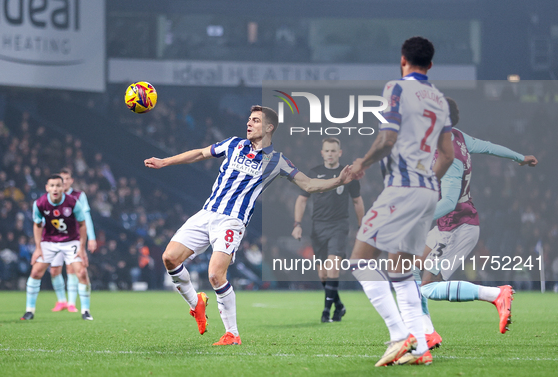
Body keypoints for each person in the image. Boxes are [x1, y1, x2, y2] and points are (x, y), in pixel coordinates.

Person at [145, 105, 357, 346]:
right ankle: (197, 304)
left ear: (269, 128)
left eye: (255, 120)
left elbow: (308, 185)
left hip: (232, 220)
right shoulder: (234, 144)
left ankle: (232, 334)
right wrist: (165, 161)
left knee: (215, 274)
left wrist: (338, 180)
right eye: (249, 119)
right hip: (206, 213)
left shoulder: (277, 161)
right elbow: (201, 153)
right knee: (170, 258)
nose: (249, 123)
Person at [348, 36, 454, 367]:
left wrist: (362, 163)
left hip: (401, 187)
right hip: (427, 190)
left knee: (360, 261)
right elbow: (448, 155)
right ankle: (420, 348)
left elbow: (388, 137)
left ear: (403, 60)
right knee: (400, 270)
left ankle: (399, 336)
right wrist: (426, 182)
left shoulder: (397, 87)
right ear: (431, 65)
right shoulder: (440, 99)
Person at [415, 98, 538, 349]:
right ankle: (425, 333)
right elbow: (489, 147)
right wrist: (519, 157)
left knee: (427, 288)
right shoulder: (457, 137)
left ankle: (496, 294)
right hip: (447, 227)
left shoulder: (450, 158)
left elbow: (449, 202)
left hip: (459, 228)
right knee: (411, 273)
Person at [291, 137, 364, 323]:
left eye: (334, 151)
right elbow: (302, 199)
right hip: (318, 227)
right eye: (327, 150)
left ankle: (326, 312)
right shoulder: (314, 173)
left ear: (339, 153)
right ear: (322, 152)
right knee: (322, 274)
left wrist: (361, 227)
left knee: (332, 268)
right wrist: (297, 224)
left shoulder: (348, 175)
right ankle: (339, 306)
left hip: (339, 226)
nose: (330, 154)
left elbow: (357, 201)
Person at [21, 174, 93, 321]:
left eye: (58, 185)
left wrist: (81, 248)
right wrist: (38, 248)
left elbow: (82, 224)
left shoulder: (73, 202)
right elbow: (37, 224)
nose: (55, 188)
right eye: (52, 185)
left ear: (63, 188)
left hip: (71, 241)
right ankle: (29, 311)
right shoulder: (40, 203)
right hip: (49, 241)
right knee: (35, 272)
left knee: (82, 273)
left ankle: (85, 311)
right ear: (47, 188)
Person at [49, 168, 97, 313]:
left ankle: (71, 303)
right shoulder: (53, 196)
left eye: (67, 178)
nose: (64, 182)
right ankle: (61, 301)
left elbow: (86, 217)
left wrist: (92, 238)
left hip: (73, 238)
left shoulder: (78, 195)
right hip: (55, 238)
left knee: (71, 269)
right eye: (61, 179)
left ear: (71, 180)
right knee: (54, 270)